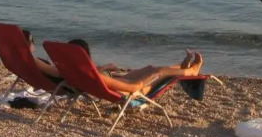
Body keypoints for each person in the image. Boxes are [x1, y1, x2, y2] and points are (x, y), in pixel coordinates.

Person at [67, 38, 203, 96]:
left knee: (151, 68)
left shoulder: (73, 71)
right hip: (132, 91)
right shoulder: (95, 75)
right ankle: (192, 71)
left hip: (119, 84)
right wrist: (145, 79)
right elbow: (132, 88)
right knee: (159, 71)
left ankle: (184, 67)